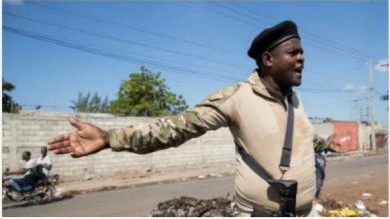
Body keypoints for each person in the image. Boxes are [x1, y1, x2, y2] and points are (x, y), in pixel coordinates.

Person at [47, 20, 342, 216]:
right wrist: (111, 138)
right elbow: (174, 129)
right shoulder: (236, 98)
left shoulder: (294, 99)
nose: (302, 58)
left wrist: (326, 144)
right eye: (294, 53)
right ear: (268, 59)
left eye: (302, 52)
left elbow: (305, 137)